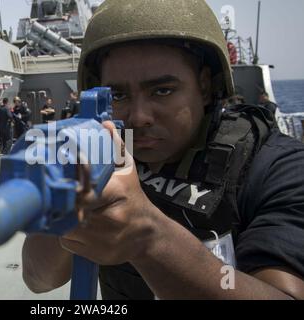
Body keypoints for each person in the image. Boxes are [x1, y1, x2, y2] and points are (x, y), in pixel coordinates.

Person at [22, 0, 304, 299]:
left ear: (205, 86)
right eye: (118, 94)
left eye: (162, 91)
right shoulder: (100, 153)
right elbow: (38, 279)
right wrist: (67, 208)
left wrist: (151, 240)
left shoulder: (275, 166)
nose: (138, 116)